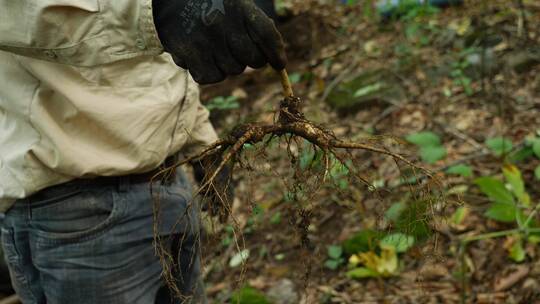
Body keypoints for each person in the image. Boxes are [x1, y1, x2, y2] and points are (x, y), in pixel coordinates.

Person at [0, 0, 286, 303]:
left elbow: (154, 67)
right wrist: (161, 8)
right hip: (77, 217)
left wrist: (200, 137)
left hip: (169, 184)